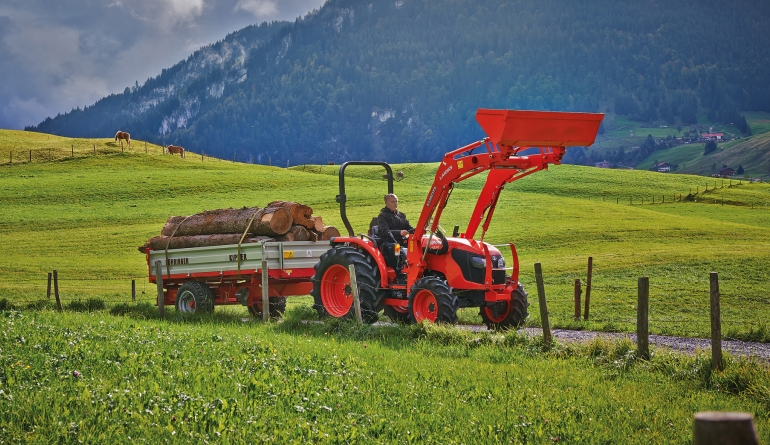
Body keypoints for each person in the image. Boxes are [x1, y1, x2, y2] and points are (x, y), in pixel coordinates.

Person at [377, 193, 413, 270]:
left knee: (415, 245)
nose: (395, 204)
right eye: (392, 202)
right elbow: (385, 231)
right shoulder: (382, 216)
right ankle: (398, 271)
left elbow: (409, 228)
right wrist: (399, 232)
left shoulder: (401, 215)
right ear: (386, 203)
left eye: (396, 201)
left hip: (400, 241)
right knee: (396, 247)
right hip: (387, 242)